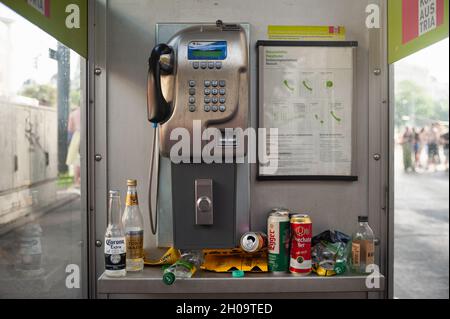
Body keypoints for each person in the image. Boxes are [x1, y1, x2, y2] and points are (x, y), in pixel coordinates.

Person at [66, 106, 81, 187]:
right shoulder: (86, 111)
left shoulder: (73, 114)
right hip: (87, 134)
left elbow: (70, 128)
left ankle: (77, 182)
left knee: (76, 160)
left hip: (77, 136)